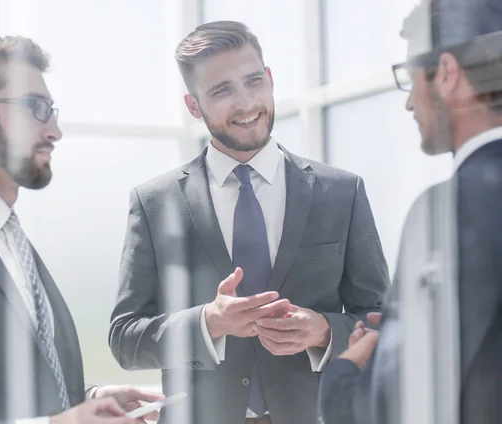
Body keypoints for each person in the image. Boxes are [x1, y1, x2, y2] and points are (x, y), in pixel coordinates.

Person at [109, 21, 389, 424]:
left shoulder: (342, 192)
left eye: (253, 81)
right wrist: (208, 323)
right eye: (222, 90)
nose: (245, 103)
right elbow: (124, 339)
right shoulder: (155, 203)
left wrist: (325, 331)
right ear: (194, 106)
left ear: (270, 80)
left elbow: (381, 320)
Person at [0, 35, 163, 424]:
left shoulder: (10, 236)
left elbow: (4, 384)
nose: (54, 130)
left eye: (51, 109)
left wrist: (88, 399)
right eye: (35, 107)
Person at [318, 0, 502, 423]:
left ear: (447, 74)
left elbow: (384, 408)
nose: (409, 104)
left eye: (410, 78)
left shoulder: (446, 211)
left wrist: (348, 371)